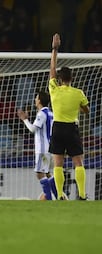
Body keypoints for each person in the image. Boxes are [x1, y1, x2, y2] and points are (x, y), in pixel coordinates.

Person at [49, 33, 90, 200]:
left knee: (58, 164)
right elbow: (86, 110)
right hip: (72, 128)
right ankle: (81, 195)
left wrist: (55, 49)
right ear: (72, 78)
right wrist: (78, 108)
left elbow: (51, 69)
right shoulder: (78, 93)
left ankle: (59, 195)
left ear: (59, 79)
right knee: (78, 162)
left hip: (57, 127)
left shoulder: (54, 89)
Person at [17, 92, 58, 200]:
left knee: (39, 173)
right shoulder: (51, 113)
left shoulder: (42, 114)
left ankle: (48, 198)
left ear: (39, 100)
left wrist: (25, 119)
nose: (35, 99)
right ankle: (59, 196)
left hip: (43, 149)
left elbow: (33, 129)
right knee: (47, 173)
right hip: (50, 147)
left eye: (36, 98)